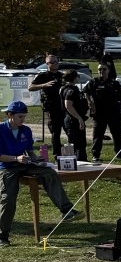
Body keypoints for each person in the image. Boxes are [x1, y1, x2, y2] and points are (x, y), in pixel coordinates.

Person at [0, 101, 76, 244]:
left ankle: (67, 210)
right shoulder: (0, 129)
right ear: (9, 115)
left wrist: (36, 158)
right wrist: (15, 158)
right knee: (8, 198)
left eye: (24, 117)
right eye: (20, 117)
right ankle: (2, 235)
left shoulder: (26, 130)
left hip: (25, 164)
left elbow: (29, 150)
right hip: (7, 166)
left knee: (49, 172)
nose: (23, 120)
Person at [86, 59, 121, 161]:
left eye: (104, 69)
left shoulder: (114, 83)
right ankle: (96, 155)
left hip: (114, 113)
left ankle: (120, 154)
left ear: (108, 70)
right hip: (99, 114)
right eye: (100, 69)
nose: (102, 71)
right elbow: (86, 92)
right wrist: (91, 104)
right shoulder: (93, 82)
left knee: (117, 135)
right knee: (98, 135)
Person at [28, 52, 65, 158]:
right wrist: (44, 85)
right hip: (51, 106)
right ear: (47, 64)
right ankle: (57, 153)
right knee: (55, 130)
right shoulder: (43, 75)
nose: (55, 64)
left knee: (68, 129)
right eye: (52, 62)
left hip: (63, 105)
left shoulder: (61, 75)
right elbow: (30, 87)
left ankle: (70, 151)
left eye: (56, 62)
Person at [59, 69, 90, 162]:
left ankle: (79, 160)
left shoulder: (65, 88)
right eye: (77, 76)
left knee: (78, 142)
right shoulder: (70, 90)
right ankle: (78, 161)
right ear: (74, 78)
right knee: (77, 143)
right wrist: (79, 118)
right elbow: (68, 106)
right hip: (72, 120)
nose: (79, 78)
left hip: (72, 119)